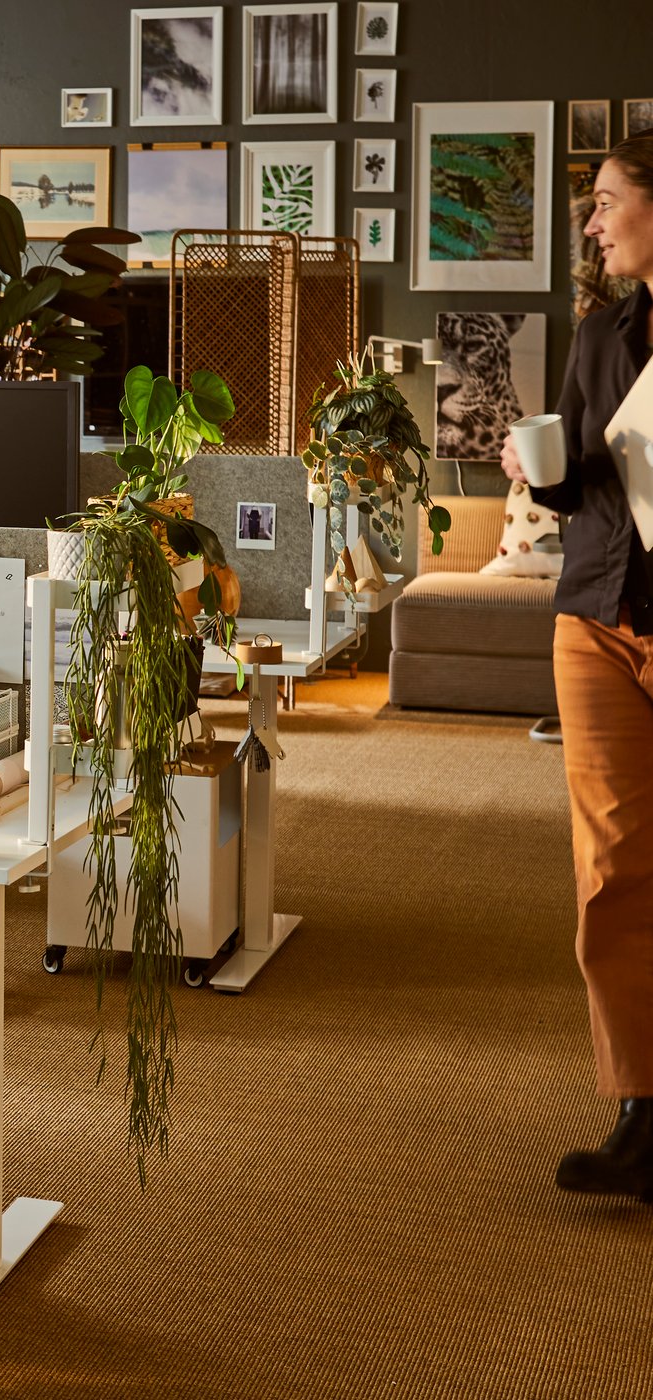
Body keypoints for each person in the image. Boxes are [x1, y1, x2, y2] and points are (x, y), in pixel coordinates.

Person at [499, 130, 653, 1201]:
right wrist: (537, 475)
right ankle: (640, 1108)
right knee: (608, 873)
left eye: (603, 202)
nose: (590, 224)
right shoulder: (599, 334)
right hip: (594, 614)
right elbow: (587, 483)